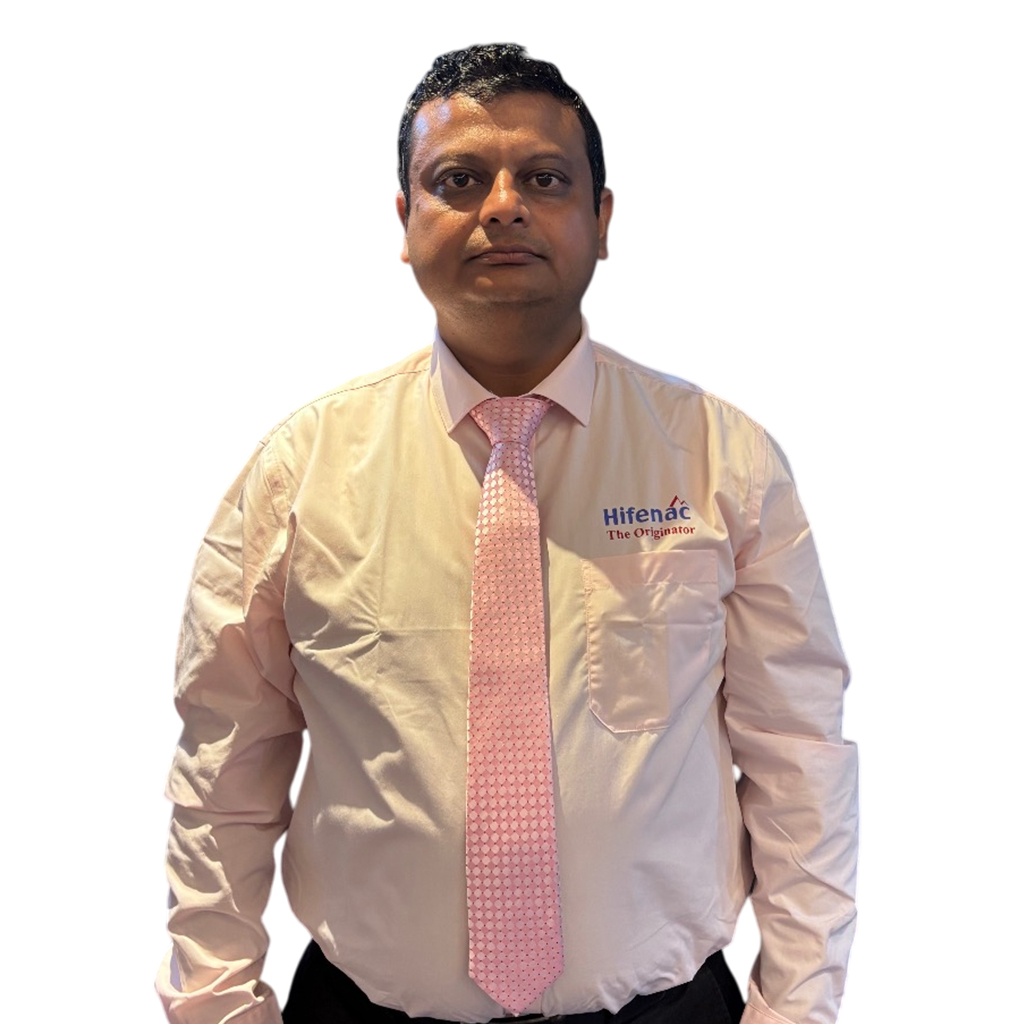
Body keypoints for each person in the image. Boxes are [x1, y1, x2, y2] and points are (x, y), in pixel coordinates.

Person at [157, 43, 858, 1024]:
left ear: (601, 220)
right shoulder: (299, 473)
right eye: (457, 180)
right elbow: (224, 762)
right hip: (363, 1013)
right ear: (405, 222)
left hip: (663, 1010)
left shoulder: (719, 459)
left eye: (543, 178)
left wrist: (794, 1007)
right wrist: (216, 1004)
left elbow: (798, 756)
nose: (502, 207)